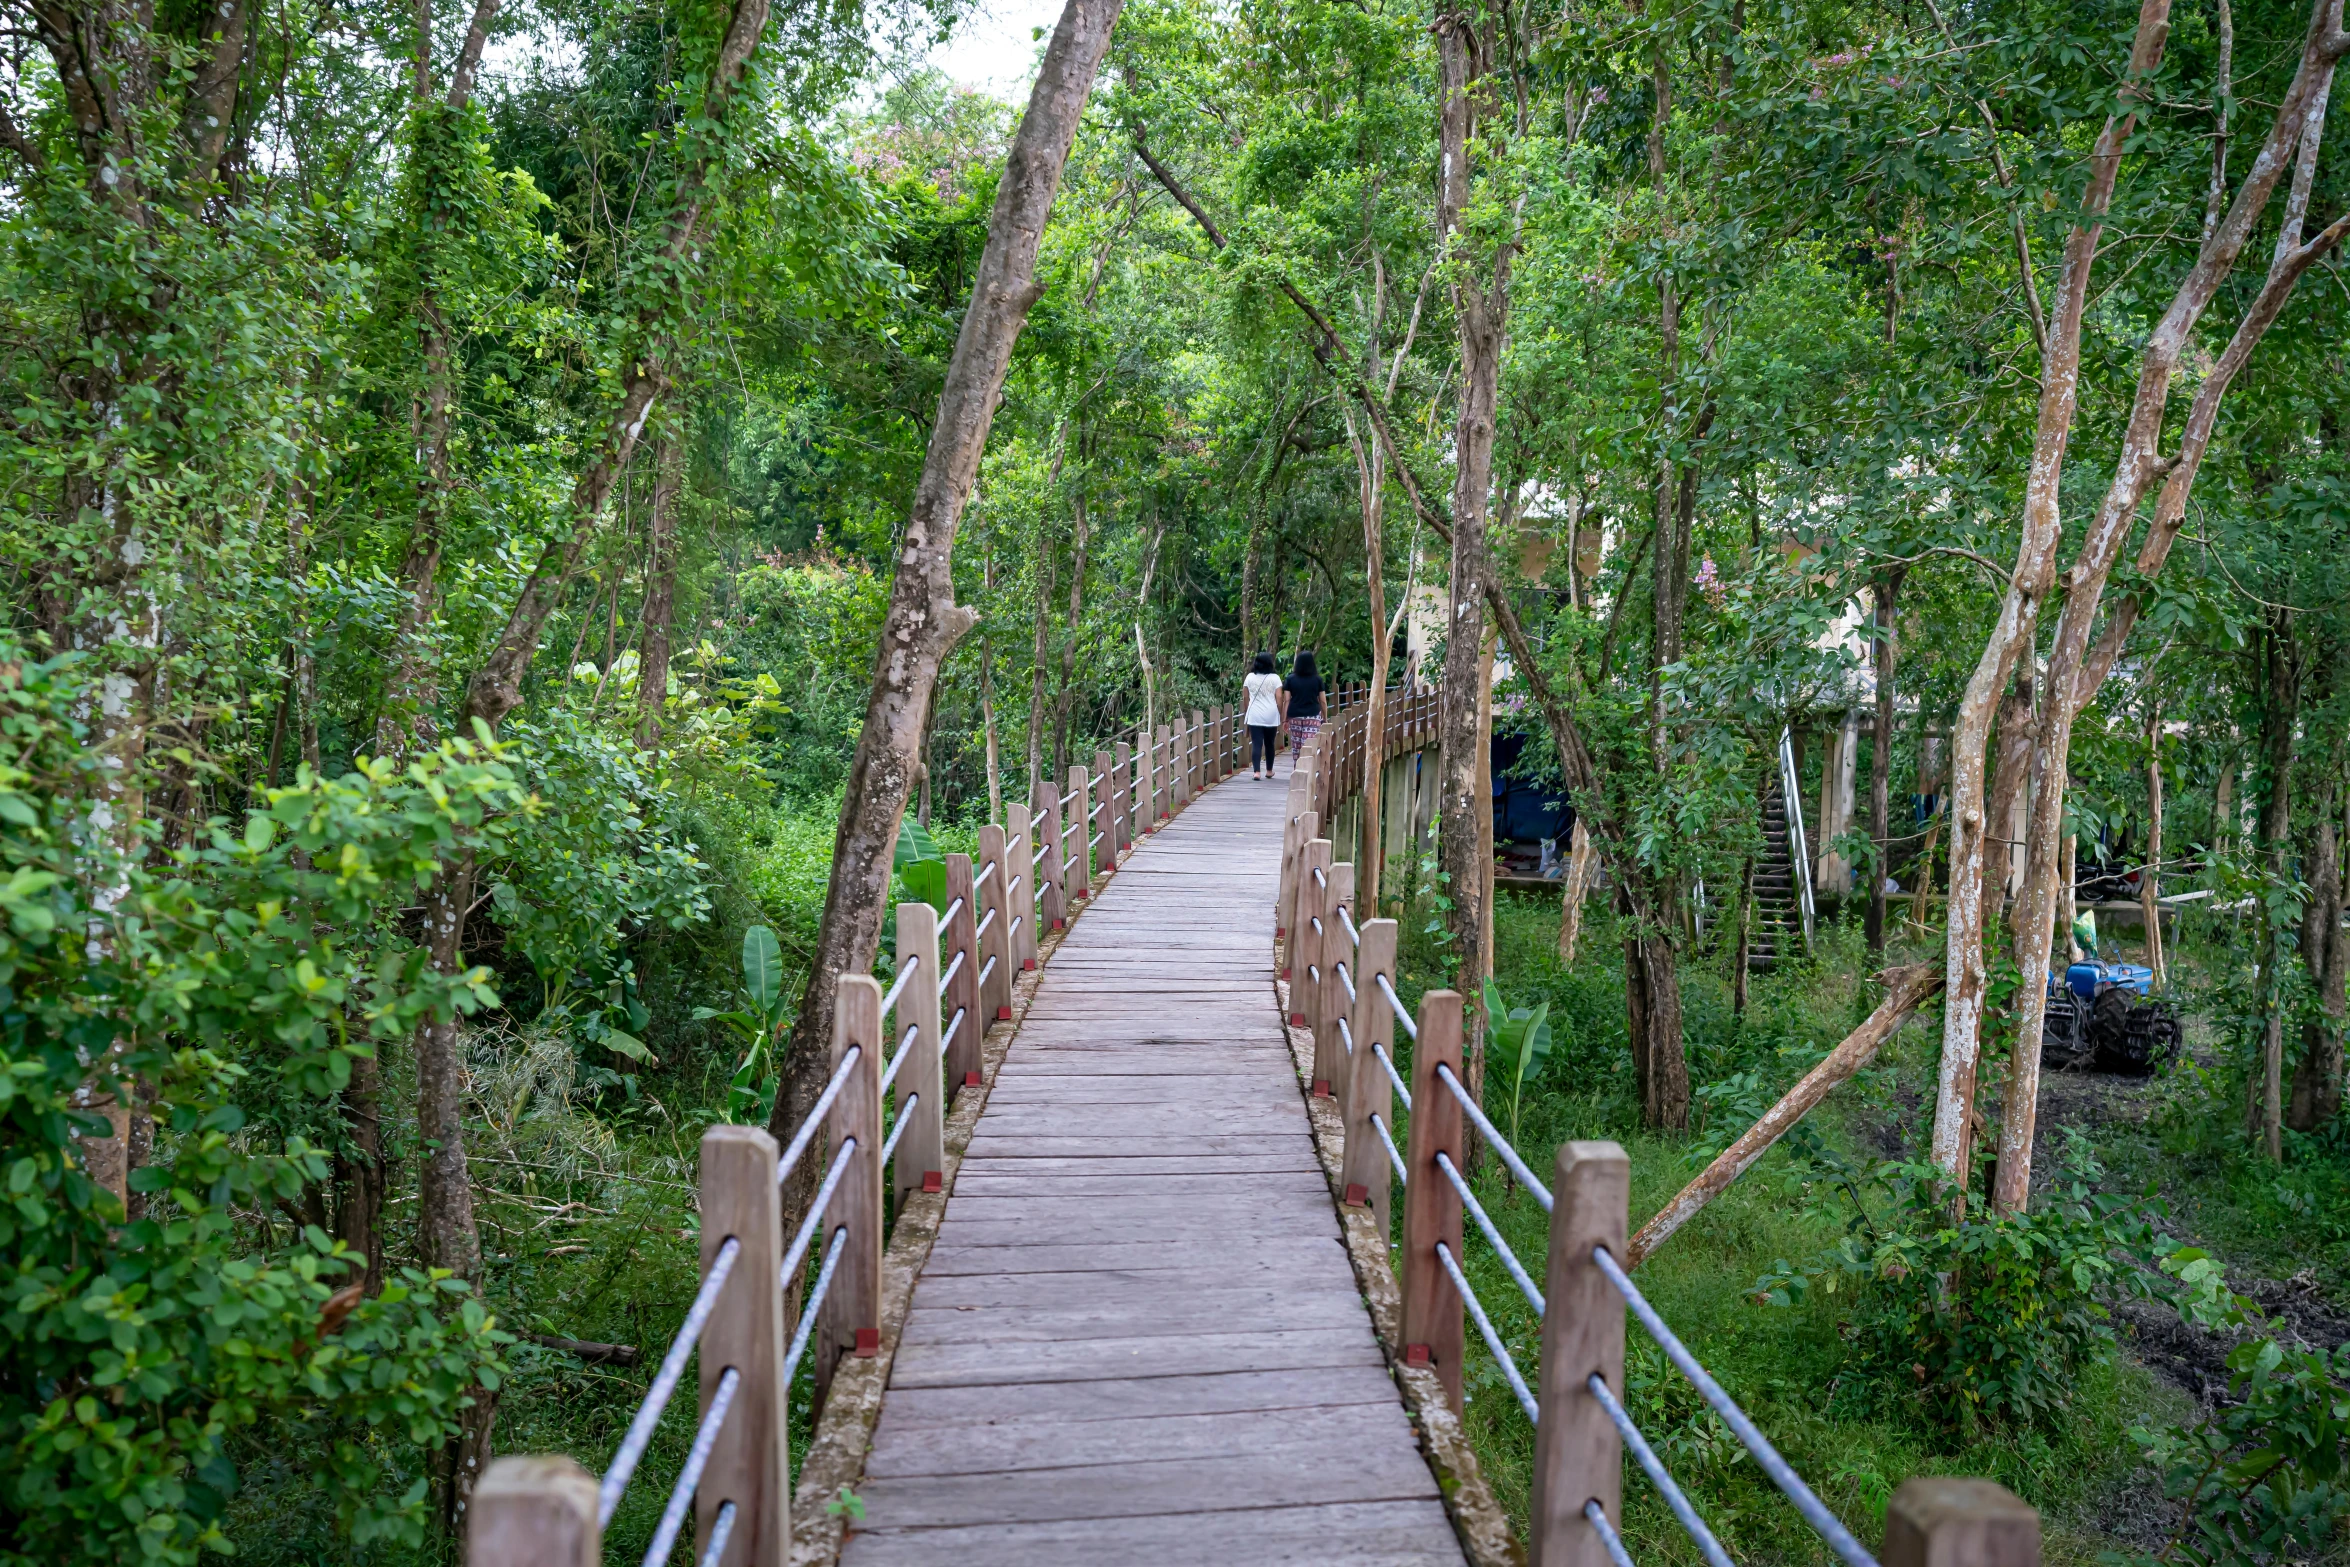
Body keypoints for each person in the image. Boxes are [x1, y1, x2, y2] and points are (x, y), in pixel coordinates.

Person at [1242, 652, 1283, 778]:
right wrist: (1280, 712)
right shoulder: (1275, 678)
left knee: (1256, 743)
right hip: (1271, 714)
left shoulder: (1249, 677)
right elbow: (1279, 697)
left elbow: (1245, 697)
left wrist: (1247, 710)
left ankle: (1256, 772)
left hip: (1255, 714)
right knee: (1270, 743)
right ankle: (1269, 771)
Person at [1283, 650, 1326, 754]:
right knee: (1308, 746)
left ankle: (1296, 768)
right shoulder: (1318, 679)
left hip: (1295, 716)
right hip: (1312, 716)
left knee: (1296, 747)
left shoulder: (1290, 679)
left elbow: (1287, 700)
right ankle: (1308, 769)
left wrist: (1284, 719)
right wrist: (1325, 717)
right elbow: (1323, 701)